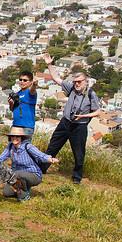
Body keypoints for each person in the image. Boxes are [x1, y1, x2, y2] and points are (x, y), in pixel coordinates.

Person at [43, 54, 100, 184]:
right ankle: (42, 168)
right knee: (53, 147)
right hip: (65, 122)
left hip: (79, 126)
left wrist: (83, 116)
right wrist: (49, 64)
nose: (77, 84)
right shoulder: (72, 89)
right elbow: (56, 78)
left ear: (86, 81)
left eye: (79, 81)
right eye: (75, 82)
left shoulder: (91, 94)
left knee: (79, 153)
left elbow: (97, 112)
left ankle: (76, 177)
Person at [0, 126, 59, 201]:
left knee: (18, 174)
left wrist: (50, 159)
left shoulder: (28, 146)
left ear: (21, 138)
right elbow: (0, 158)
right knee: (6, 193)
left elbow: (40, 155)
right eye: (12, 136)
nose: (15, 138)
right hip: (17, 175)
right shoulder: (10, 147)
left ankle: (24, 196)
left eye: (17, 136)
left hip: (34, 175)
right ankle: (24, 187)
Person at [9, 71, 38, 139]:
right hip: (15, 125)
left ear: (30, 82)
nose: (22, 82)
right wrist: (11, 104)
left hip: (27, 127)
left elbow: (32, 89)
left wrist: (34, 84)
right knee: (12, 148)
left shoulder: (29, 92)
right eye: (20, 80)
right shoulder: (17, 94)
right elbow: (12, 109)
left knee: (24, 147)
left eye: (25, 80)